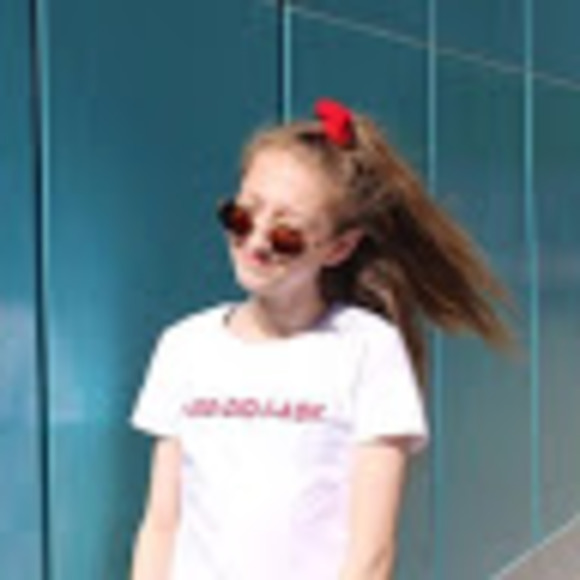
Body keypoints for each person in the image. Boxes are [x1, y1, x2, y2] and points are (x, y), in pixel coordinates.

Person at [129, 98, 514, 580]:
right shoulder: (183, 346)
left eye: (286, 234)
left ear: (338, 247)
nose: (256, 242)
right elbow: (161, 525)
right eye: (242, 216)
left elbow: (371, 554)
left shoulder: (367, 349)